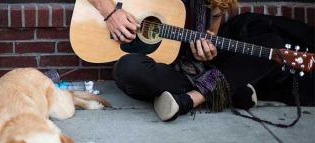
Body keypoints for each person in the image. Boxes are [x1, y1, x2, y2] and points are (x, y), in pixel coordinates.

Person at [88, 0, 314, 121]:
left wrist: (206, 50)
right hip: (167, 68)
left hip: (197, 64)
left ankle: (192, 98)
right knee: (127, 69)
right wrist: (110, 13)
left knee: (273, 42)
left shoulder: (215, 1)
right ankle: (228, 91)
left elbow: (211, 35)